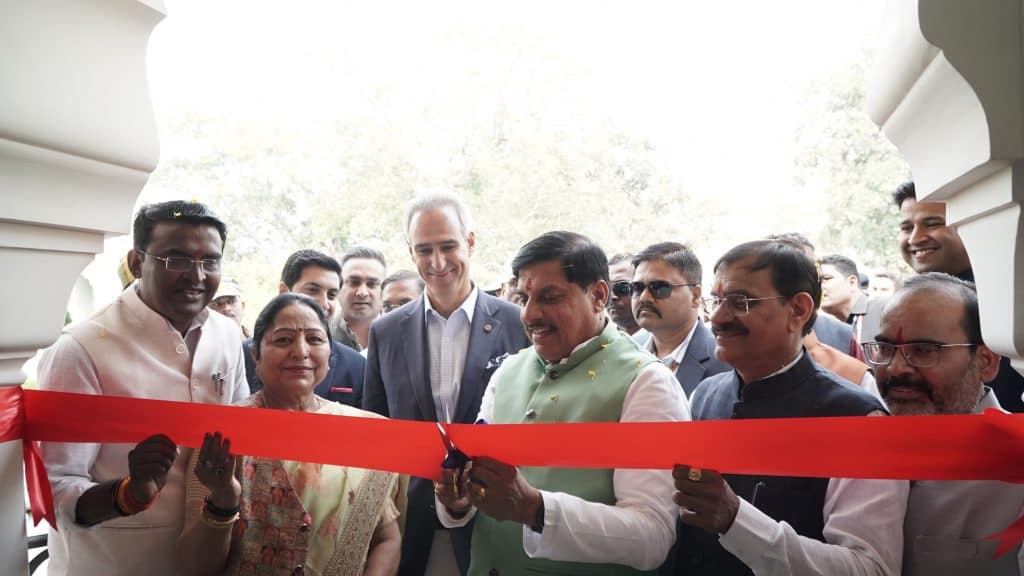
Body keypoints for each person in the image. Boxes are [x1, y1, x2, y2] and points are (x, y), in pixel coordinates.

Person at [435, 231, 688, 575]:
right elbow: (477, 495)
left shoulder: (647, 382)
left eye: (549, 298)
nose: (529, 314)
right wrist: (458, 501)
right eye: (524, 298)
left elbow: (653, 537)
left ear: (598, 295)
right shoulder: (508, 371)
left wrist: (536, 510)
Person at [669, 239, 907, 575]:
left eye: (740, 301)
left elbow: (869, 568)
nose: (718, 318)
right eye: (717, 300)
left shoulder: (857, 421)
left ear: (798, 310)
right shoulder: (706, 395)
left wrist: (737, 520)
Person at [38, 200, 250, 576]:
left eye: (210, 261)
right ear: (137, 262)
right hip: (112, 565)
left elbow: (241, 445)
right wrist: (129, 493)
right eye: (176, 259)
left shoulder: (227, 335)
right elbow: (55, 491)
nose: (197, 276)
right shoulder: (80, 348)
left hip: (209, 559)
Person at [178, 293, 403, 576]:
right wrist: (223, 499)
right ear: (255, 355)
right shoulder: (222, 434)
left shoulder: (364, 434)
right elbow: (196, 565)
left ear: (330, 355)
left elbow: (386, 538)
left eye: (315, 339)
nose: (300, 351)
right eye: (283, 340)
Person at [363, 191, 529, 575]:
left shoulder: (516, 324)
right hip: (411, 516)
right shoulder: (386, 332)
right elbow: (377, 428)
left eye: (448, 246)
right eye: (424, 250)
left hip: (496, 513)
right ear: (410, 252)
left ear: (470, 241)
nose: (437, 262)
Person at [865, 273, 1024, 575]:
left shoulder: (1018, 465)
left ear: (985, 362)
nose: (896, 368)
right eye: (885, 349)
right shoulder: (855, 450)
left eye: (924, 350)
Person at [893, 180, 1024, 412]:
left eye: (932, 224)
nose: (915, 238)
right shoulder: (908, 301)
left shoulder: (1006, 294)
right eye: (906, 228)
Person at [245, 249, 365, 407]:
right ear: (284, 290)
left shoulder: (356, 365)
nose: (324, 303)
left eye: (331, 295)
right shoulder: (242, 356)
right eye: (313, 290)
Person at [631, 242, 729, 397]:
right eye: (637, 288)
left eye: (659, 288)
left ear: (695, 296)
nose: (644, 298)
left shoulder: (724, 358)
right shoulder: (627, 350)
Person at [820, 254, 884, 344]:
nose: (818, 286)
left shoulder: (882, 311)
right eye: (816, 281)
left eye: (826, 278)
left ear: (852, 282)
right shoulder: (828, 328)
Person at [331, 246, 387, 350]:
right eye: (354, 282)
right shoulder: (321, 337)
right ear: (338, 286)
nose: (362, 293)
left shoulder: (400, 335)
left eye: (371, 284)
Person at [608, 252, 650, 345]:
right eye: (607, 288)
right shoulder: (602, 343)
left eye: (622, 287)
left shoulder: (662, 341)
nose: (612, 296)